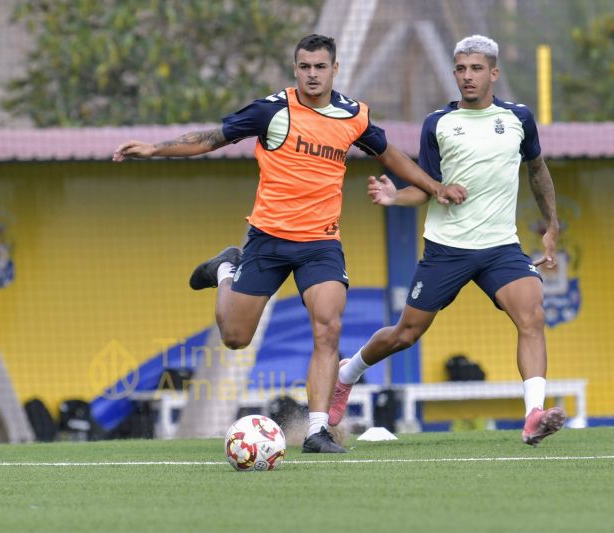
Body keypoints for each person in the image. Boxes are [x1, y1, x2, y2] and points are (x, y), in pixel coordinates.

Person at [114, 34, 466, 453]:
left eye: (320, 67)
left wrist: (434, 186)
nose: (312, 74)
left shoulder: (353, 115)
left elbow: (391, 156)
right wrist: (154, 149)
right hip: (267, 240)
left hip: (320, 243)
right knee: (234, 337)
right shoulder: (271, 109)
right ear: (295, 69)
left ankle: (317, 430)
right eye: (304, 67)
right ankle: (227, 268)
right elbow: (211, 137)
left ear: (334, 69)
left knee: (328, 327)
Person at [327, 35, 566, 446]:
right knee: (405, 334)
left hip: (500, 249)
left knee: (532, 316)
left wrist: (552, 224)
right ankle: (347, 374)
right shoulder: (438, 123)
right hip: (446, 249)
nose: (467, 76)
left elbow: (537, 170)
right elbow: (426, 187)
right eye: (460, 68)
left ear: (494, 72)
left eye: (475, 68)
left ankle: (532, 416)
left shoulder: (519, 119)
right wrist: (394, 196)